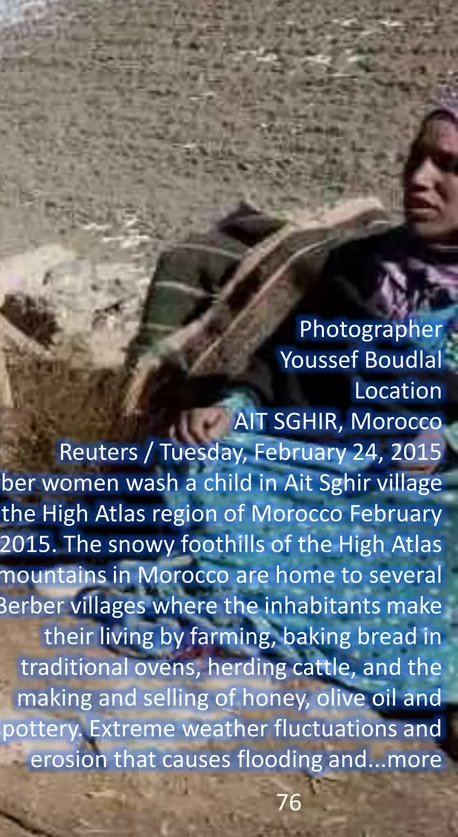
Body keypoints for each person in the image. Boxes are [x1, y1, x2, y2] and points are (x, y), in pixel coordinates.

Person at [87, 99, 458, 716]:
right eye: (416, 158)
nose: (418, 179)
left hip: (432, 491)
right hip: (332, 472)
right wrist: (235, 405)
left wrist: (444, 441)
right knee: (200, 458)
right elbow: (289, 364)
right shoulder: (359, 265)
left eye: (447, 164)